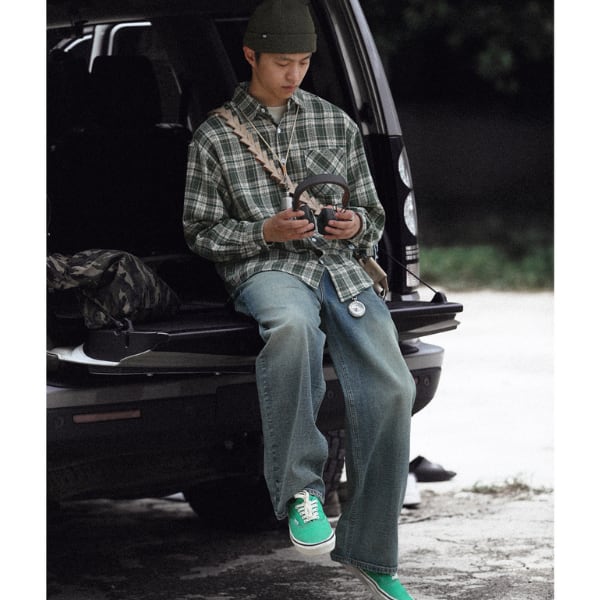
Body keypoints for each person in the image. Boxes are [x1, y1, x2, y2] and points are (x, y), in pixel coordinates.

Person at [183, 1, 416, 598]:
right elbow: (200, 232)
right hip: (266, 268)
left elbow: (372, 214)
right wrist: (264, 230)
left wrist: (353, 226)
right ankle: (302, 493)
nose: (294, 74)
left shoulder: (335, 123)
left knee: (394, 387)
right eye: (282, 62)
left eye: (305, 63)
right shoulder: (214, 136)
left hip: (339, 267)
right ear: (251, 55)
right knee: (291, 329)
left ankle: (371, 551)